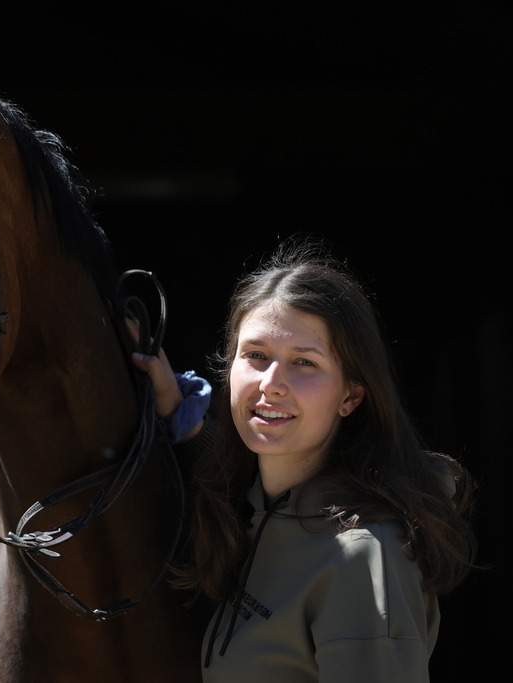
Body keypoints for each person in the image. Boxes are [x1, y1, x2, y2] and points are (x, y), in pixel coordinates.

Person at [131, 239, 477, 682]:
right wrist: (176, 408)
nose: (270, 383)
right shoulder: (259, 508)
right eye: (255, 355)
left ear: (350, 397)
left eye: (304, 363)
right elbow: (224, 481)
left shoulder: (363, 561)